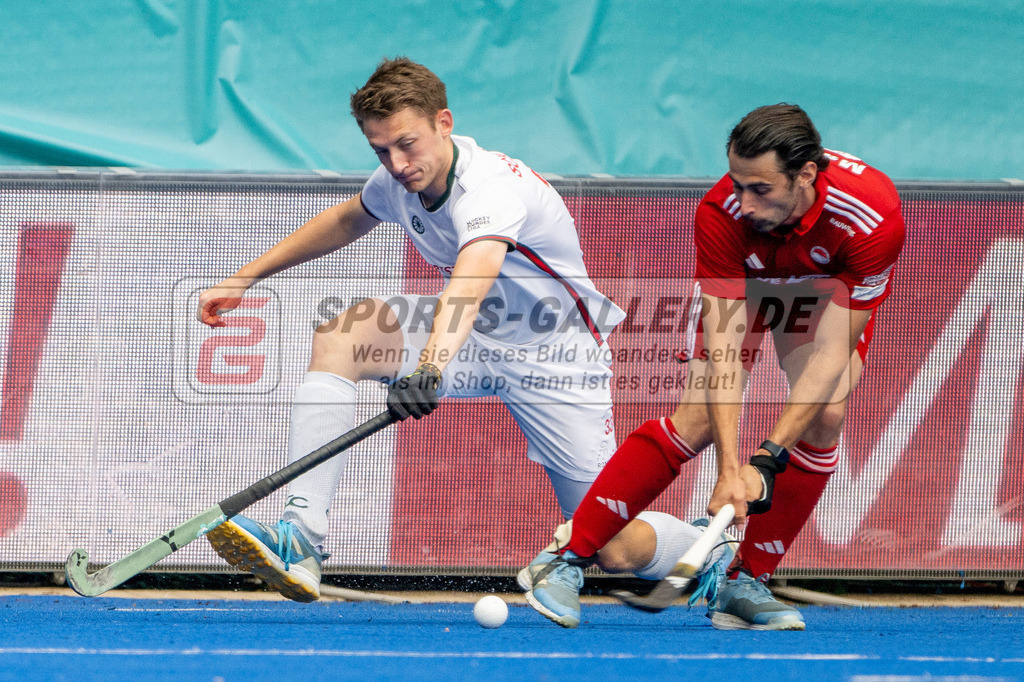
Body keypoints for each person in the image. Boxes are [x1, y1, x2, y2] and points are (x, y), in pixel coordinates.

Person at [197, 58, 727, 615]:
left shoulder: (490, 188)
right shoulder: (400, 178)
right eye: (381, 151)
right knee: (342, 336)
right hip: (474, 340)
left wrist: (427, 369)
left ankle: (705, 548)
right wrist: (246, 276)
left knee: (612, 547)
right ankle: (301, 535)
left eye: (407, 144)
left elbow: (471, 282)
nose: (397, 165)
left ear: (444, 123)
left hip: (557, 355)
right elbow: (350, 218)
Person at [521, 103, 906, 630]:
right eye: (736, 182)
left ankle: (743, 581)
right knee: (699, 415)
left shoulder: (872, 217)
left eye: (760, 189)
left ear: (806, 175)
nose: (743, 202)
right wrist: (730, 470)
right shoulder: (720, 212)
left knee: (827, 414)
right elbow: (724, 354)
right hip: (748, 286)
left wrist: (767, 458)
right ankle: (566, 561)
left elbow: (831, 354)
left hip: (820, 299)